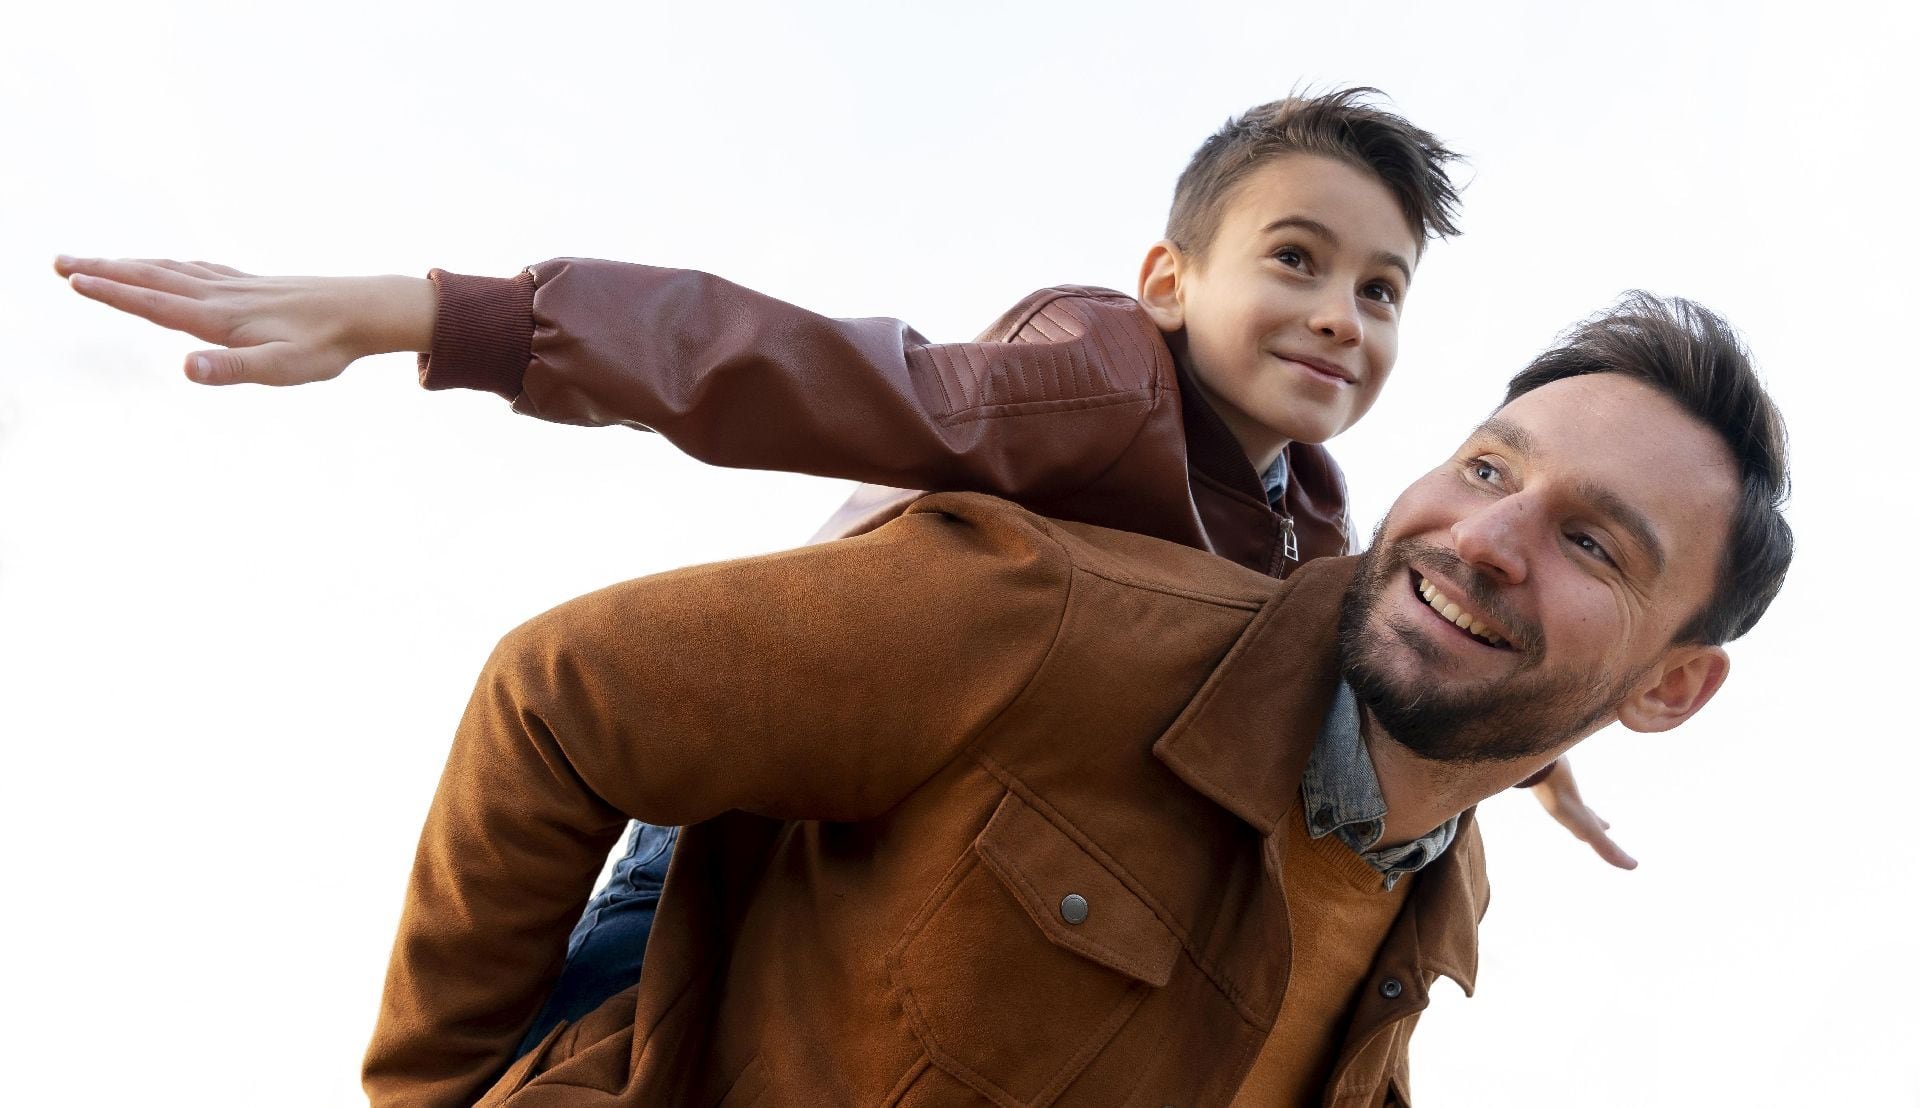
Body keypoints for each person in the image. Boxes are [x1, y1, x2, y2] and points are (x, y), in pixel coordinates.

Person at [57, 84, 1628, 1051]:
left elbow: (1388, 662)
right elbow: (793, 366)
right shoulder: (1093, 376)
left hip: (966, 877)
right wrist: (439, 317)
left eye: (1380, 288)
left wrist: (1530, 758)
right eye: (1295, 258)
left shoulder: (1319, 530)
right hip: (759, 824)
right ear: (1169, 279)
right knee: (631, 1040)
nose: (1341, 315)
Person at [353, 293, 1792, 1105]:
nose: (1484, 537)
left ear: (1671, 687)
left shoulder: (1424, 931)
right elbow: (560, 693)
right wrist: (436, 1095)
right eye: (1488, 467)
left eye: (1591, 540)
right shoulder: (1051, 617)